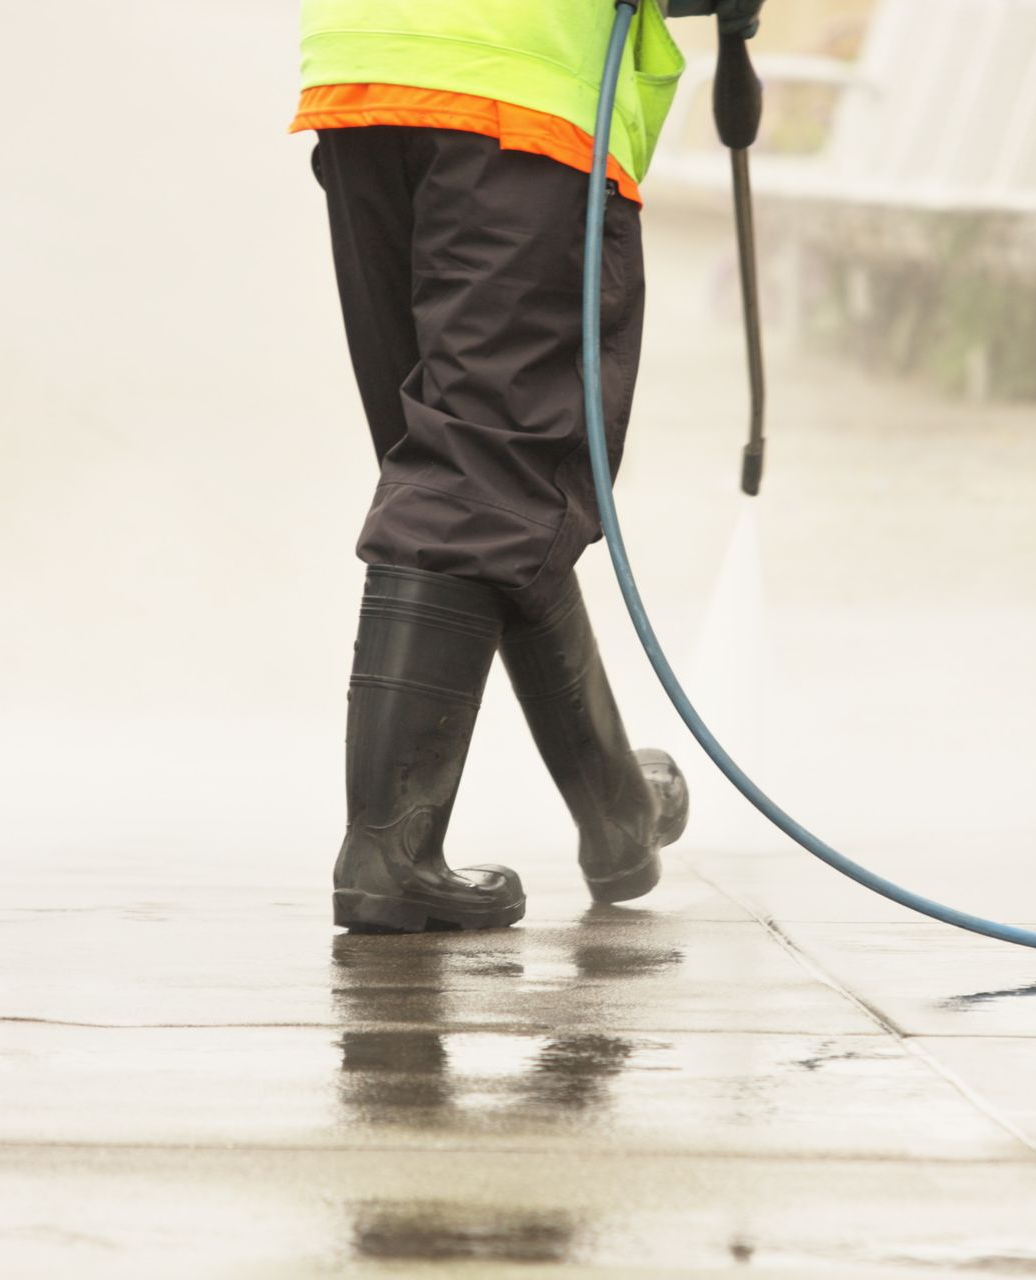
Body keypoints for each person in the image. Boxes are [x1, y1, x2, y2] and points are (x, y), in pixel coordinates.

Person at [294, 0, 765, 933]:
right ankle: (390, 851)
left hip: (366, 72)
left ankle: (618, 808)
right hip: (520, 93)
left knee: (478, 477)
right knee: (483, 473)